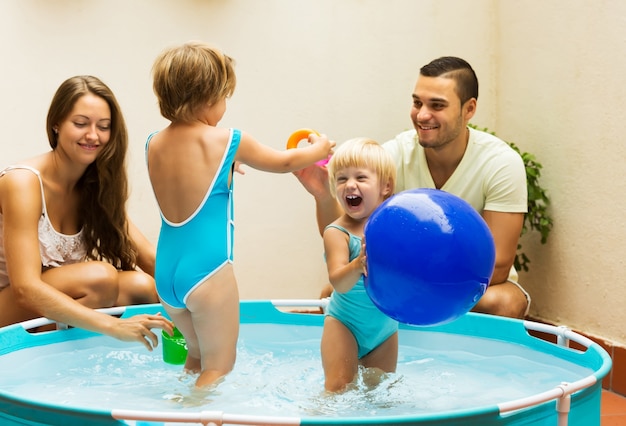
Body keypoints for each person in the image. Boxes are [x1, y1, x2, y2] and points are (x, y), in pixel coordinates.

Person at [146, 41, 334, 389]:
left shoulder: (153, 143)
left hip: (167, 276)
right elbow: (285, 162)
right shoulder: (228, 139)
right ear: (207, 98)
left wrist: (225, 169)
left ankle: (172, 410)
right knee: (218, 368)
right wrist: (320, 148)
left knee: (197, 358)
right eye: (223, 97)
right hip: (208, 272)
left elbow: (189, 177)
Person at [296, 56, 529, 319]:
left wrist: (423, 291)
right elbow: (343, 235)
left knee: (507, 303)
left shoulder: (500, 163)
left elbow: (497, 267)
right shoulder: (393, 155)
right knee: (331, 292)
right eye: (417, 102)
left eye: (437, 105)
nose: (422, 115)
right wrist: (323, 195)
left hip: (466, 288)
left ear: (469, 109)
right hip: (401, 281)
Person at [0, 75, 173, 351]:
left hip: (49, 302)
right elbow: (25, 289)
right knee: (100, 279)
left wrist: (205, 305)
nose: (93, 135)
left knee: (143, 286)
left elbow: (150, 258)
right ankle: (51, 357)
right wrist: (113, 326)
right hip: (9, 306)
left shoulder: (95, 186)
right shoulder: (22, 182)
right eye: (80, 124)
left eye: (103, 127)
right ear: (56, 124)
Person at [321, 137, 398, 393]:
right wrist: (357, 265)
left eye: (361, 178)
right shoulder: (337, 232)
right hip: (345, 324)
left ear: (385, 187)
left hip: (385, 330)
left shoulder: (393, 227)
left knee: (379, 393)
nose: (349, 185)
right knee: (338, 389)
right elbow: (338, 283)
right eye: (341, 179)